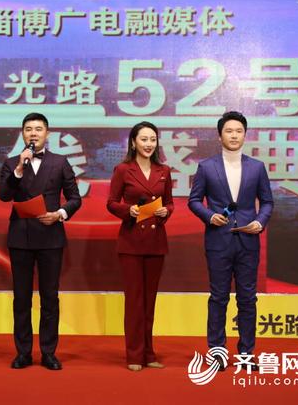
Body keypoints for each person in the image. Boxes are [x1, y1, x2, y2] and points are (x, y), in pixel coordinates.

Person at [188, 111, 273, 371]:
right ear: (219, 135)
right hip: (218, 241)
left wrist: (260, 221)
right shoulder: (206, 166)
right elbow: (194, 200)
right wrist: (209, 216)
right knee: (218, 298)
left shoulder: (257, 167)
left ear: (245, 135)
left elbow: (267, 202)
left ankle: (246, 353)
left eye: (239, 131)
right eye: (229, 131)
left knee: (248, 299)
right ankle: (217, 353)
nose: (234, 135)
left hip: (248, 241)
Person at [0, 112, 81, 371]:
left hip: (50, 237)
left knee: (49, 298)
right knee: (21, 299)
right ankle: (23, 353)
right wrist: (18, 170)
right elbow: (3, 195)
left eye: (38, 129)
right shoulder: (12, 163)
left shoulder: (60, 162)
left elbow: (75, 198)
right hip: (20, 237)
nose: (33, 133)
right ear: (22, 133)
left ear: (47, 133)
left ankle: (48, 352)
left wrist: (60, 213)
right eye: (28, 129)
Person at [106, 121, 174, 372]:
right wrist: (129, 210)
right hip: (131, 242)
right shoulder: (123, 169)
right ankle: (134, 354)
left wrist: (166, 211)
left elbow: (169, 202)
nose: (149, 144)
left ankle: (149, 353)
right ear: (133, 142)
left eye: (153, 139)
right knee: (135, 302)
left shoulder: (164, 170)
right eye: (144, 139)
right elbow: (111, 202)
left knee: (149, 302)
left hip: (156, 242)